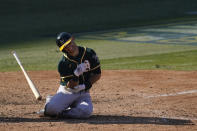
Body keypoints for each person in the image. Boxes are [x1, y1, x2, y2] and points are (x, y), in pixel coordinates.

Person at [38, 32, 101, 118]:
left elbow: (97, 74)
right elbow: (71, 86)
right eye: (65, 47)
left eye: (69, 43)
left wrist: (84, 86)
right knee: (51, 110)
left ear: (73, 39)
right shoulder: (63, 64)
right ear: (63, 49)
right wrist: (76, 74)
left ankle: (61, 113)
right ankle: (51, 105)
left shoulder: (89, 53)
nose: (69, 47)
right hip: (67, 92)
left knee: (86, 111)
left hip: (83, 93)